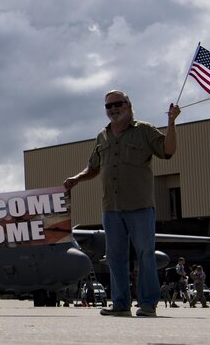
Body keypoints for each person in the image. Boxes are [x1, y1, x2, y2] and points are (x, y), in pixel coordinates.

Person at [64, 91, 180, 318]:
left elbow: (168, 151)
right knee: (115, 257)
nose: (113, 109)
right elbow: (93, 167)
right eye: (108, 106)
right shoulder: (102, 137)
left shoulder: (144, 130)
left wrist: (171, 122)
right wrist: (77, 178)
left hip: (140, 205)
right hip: (111, 208)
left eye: (118, 104)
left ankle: (147, 304)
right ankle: (120, 303)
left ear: (129, 105)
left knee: (146, 254)